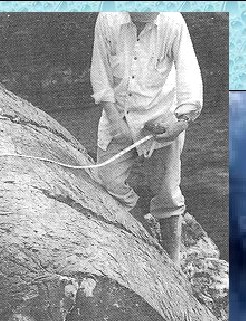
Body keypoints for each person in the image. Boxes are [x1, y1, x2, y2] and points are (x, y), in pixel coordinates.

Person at [90, 11, 203, 262]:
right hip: (118, 116)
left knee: (168, 192)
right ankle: (139, 234)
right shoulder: (107, 17)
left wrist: (181, 121)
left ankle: (173, 262)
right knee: (108, 183)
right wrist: (116, 121)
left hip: (160, 118)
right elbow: (100, 73)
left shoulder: (174, 22)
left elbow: (189, 72)